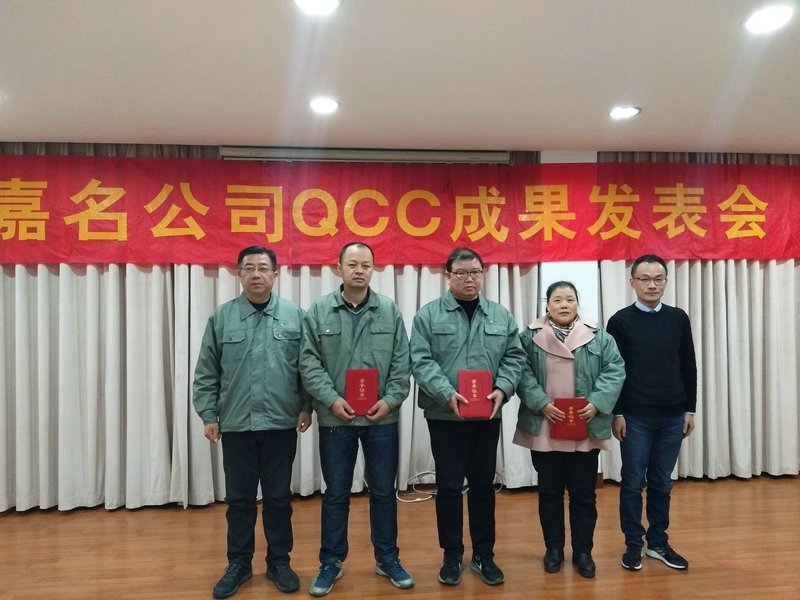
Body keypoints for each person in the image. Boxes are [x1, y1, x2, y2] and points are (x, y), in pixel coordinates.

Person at [192, 246, 312, 598]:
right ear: (239, 273)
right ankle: (239, 563)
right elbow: (206, 372)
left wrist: (306, 407)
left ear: (276, 274)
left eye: (263, 268)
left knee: (278, 499)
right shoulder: (222, 318)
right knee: (240, 500)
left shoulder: (295, 316)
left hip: (280, 424)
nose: (256, 274)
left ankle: (279, 562)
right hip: (236, 424)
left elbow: (306, 368)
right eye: (249, 268)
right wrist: (209, 415)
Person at [300, 242, 414, 597]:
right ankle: (331, 562)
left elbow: (402, 363)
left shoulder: (389, 310)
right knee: (336, 494)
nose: (359, 270)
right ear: (339, 268)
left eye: (366, 264)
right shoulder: (319, 311)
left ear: (373, 269)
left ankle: (388, 558)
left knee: (383, 492)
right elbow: (308, 362)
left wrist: (390, 401)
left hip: (382, 419)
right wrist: (331, 400)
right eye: (352, 264)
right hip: (336, 419)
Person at [409, 247, 526, 587]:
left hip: (487, 415)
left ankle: (484, 554)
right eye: (461, 273)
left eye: (475, 272)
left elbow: (514, 357)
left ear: (482, 274)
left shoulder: (500, 316)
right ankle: (451, 554)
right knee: (448, 486)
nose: (469, 278)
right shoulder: (428, 316)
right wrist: (446, 393)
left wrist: (503, 388)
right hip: (444, 415)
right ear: (448, 276)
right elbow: (420, 360)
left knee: (483, 486)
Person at [514, 281, 625, 578]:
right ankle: (553, 549)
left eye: (570, 299)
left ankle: (583, 551)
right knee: (549, 492)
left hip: (584, 426)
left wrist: (597, 402)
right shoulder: (529, 337)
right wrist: (540, 403)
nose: (564, 305)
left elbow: (615, 370)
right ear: (547, 305)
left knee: (583, 493)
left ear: (578, 304)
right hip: (545, 425)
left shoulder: (599, 336)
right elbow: (520, 372)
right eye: (557, 300)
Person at [606, 254, 697, 572]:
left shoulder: (678, 318)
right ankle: (633, 543)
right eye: (644, 279)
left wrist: (689, 409)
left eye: (658, 279)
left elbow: (688, 365)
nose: (652, 285)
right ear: (632, 282)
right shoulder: (619, 321)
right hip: (635, 417)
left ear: (666, 282)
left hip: (673, 415)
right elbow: (613, 372)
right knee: (633, 483)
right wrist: (617, 413)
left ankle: (658, 542)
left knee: (662, 482)